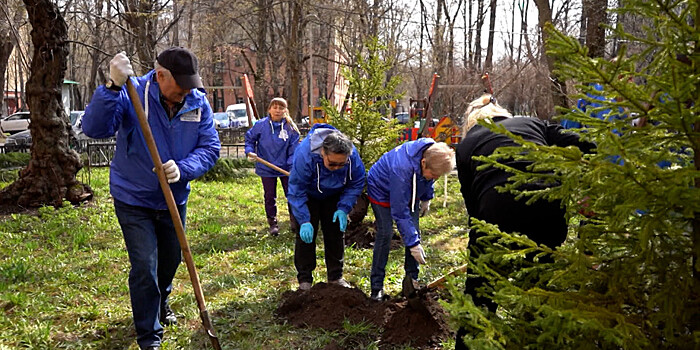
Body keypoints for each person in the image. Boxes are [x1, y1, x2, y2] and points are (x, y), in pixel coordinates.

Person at [82, 48, 221, 350]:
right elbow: (94, 129)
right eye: (180, 85)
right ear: (160, 76)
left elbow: (210, 148)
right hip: (133, 196)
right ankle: (149, 335)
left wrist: (183, 169)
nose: (185, 91)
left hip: (174, 197)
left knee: (169, 262)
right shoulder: (133, 93)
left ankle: (161, 302)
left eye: (190, 84)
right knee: (145, 265)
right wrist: (112, 87)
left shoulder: (197, 100)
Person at [454, 94, 594, 349]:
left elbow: (472, 209)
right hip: (549, 207)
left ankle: (469, 341)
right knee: (541, 282)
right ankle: (538, 338)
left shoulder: (466, 145)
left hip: (496, 212)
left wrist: (478, 255)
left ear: (472, 122)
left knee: (480, 290)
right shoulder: (532, 123)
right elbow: (580, 143)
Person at [366, 139, 455, 301]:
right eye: (434, 175)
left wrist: (427, 197)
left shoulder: (432, 155)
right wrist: (413, 244)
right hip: (381, 188)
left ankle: (411, 282)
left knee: (413, 231)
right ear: (423, 163)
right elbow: (399, 212)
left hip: (408, 190)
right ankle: (376, 287)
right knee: (386, 233)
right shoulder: (401, 168)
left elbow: (428, 179)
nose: (435, 178)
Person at [287, 123, 365, 291]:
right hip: (308, 195)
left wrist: (343, 208)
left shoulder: (352, 156)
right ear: (323, 152)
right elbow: (296, 190)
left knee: (335, 233)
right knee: (306, 237)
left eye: (341, 165)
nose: (337, 168)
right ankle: (305, 280)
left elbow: (357, 182)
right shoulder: (305, 155)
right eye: (332, 164)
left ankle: (336, 277)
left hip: (335, 195)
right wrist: (304, 219)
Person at [244, 97, 300, 236]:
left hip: (285, 169)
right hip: (266, 168)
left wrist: (291, 167)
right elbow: (250, 139)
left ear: (285, 111)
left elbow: (294, 150)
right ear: (269, 109)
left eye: (281, 108)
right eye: (275, 107)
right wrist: (249, 151)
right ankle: (273, 223)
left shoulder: (290, 128)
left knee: (291, 195)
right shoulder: (260, 125)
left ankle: (295, 221)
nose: (277, 110)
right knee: (270, 196)